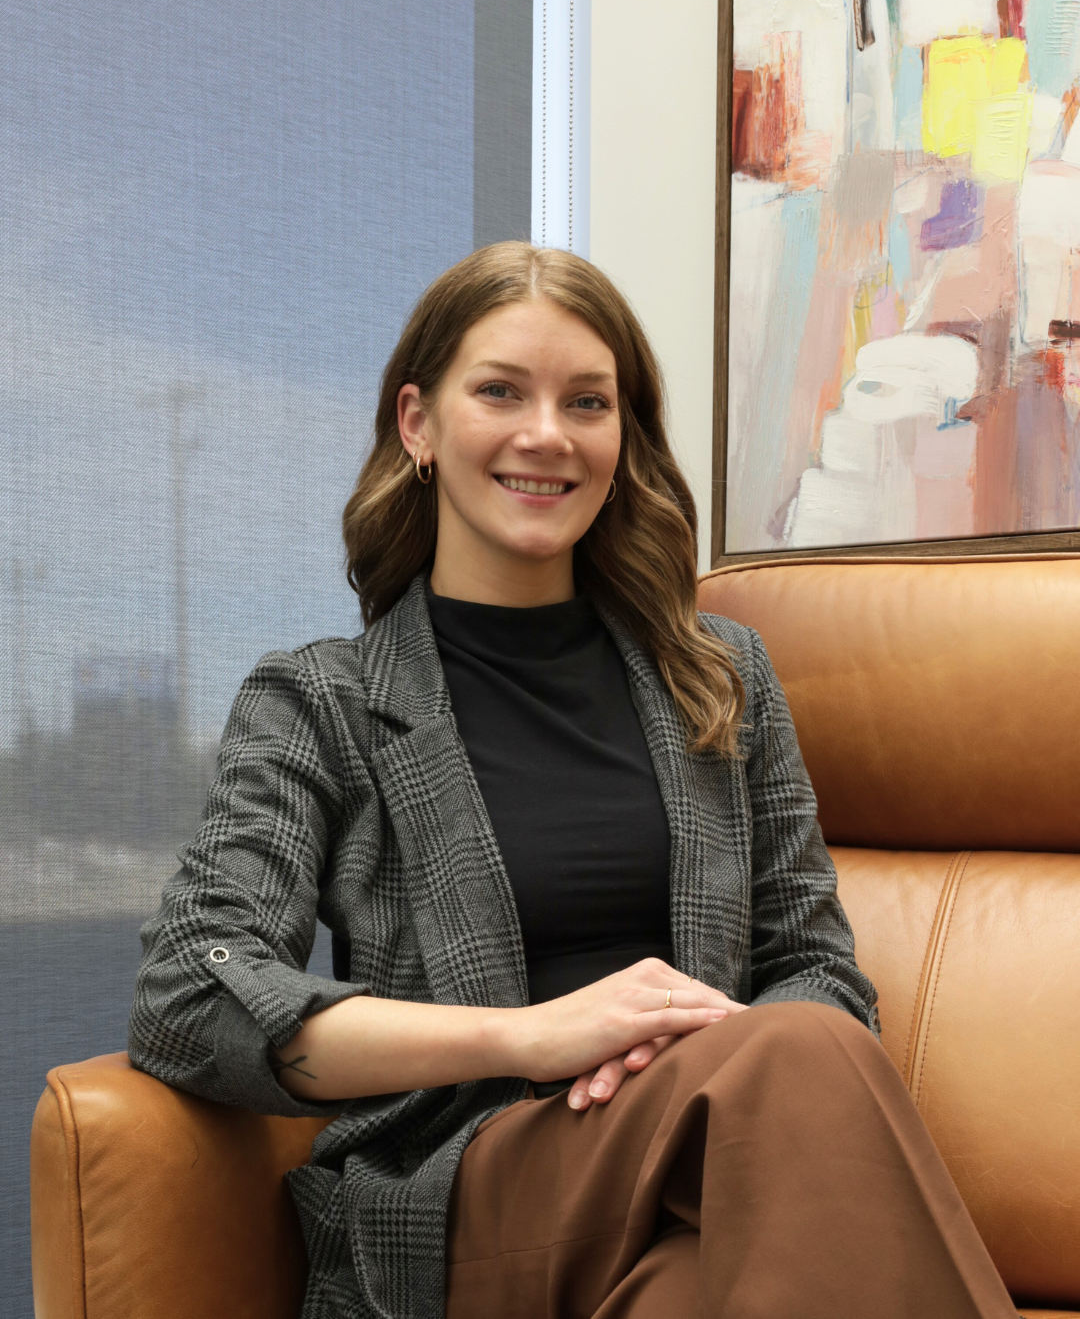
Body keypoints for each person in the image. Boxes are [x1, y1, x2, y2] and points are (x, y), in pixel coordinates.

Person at [129, 242, 1017, 1319]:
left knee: (706, 1259)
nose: (546, 434)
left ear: (621, 436)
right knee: (792, 1054)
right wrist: (535, 1034)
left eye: (587, 402)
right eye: (501, 391)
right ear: (418, 424)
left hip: (693, 1175)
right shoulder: (323, 702)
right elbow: (191, 995)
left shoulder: (721, 679)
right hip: (470, 1193)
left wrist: (695, 1060)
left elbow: (818, 969)